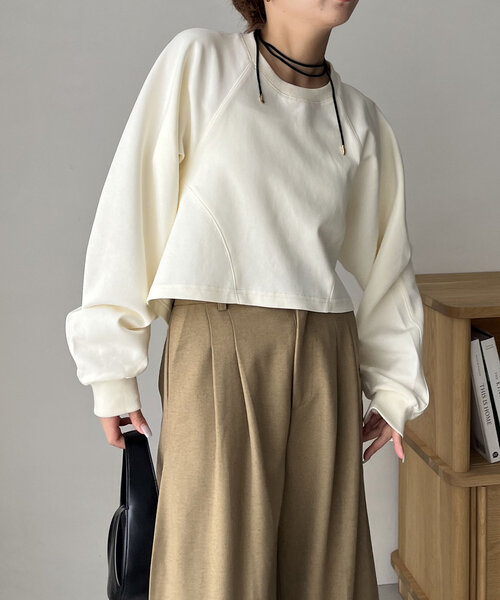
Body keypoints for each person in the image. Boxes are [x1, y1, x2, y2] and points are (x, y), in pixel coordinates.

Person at [65, 1, 430, 598]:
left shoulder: (361, 120)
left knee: (324, 571)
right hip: (217, 344)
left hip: (325, 357)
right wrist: (111, 366)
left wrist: (393, 388)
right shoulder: (201, 64)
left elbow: (389, 259)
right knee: (214, 571)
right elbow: (132, 208)